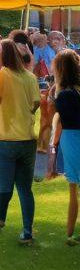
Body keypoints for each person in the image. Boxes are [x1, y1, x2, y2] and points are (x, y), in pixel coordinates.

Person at [0, 38, 40, 243]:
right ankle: (27, 231)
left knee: (4, 187)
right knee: (24, 188)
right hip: (27, 140)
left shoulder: (2, 76)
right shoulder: (30, 77)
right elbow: (35, 104)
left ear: (0, 56)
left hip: (4, 139)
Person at [50, 49, 80, 245]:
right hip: (71, 137)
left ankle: (70, 233)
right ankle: (70, 233)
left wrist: (53, 145)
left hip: (71, 138)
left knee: (73, 188)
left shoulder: (63, 95)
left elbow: (60, 122)